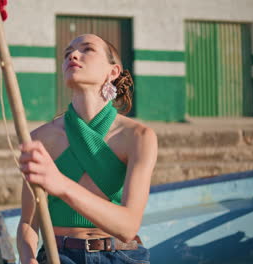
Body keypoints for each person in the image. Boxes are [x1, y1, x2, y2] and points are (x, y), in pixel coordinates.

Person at [17, 34, 158, 264]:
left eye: (87, 49)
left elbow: (128, 227)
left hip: (122, 255)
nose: (72, 55)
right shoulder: (39, 139)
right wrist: (27, 258)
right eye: (67, 53)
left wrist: (61, 184)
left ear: (113, 72)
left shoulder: (138, 137)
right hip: (58, 255)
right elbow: (28, 222)